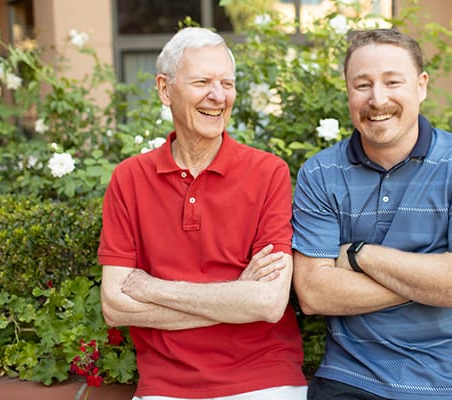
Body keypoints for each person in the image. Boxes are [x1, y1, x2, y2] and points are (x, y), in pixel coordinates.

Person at [291, 28, 452, 400]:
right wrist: (437, 276)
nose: (378, 99)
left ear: (421, 86)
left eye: (393, 82)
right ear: (347, 91)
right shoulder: (321, 173)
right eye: (362, 85)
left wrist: (360, 255)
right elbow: (313, 293)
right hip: (350, 380)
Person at [98, 27, 307, 400]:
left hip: (265, 378)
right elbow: (115, 306)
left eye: (227, 83)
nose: (218, 95)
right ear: (165, 89)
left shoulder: (268, 172)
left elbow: (268, 303)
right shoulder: (129, 178)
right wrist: (237, 297)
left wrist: (152, 288)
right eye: (202, 82)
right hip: (166, 386)